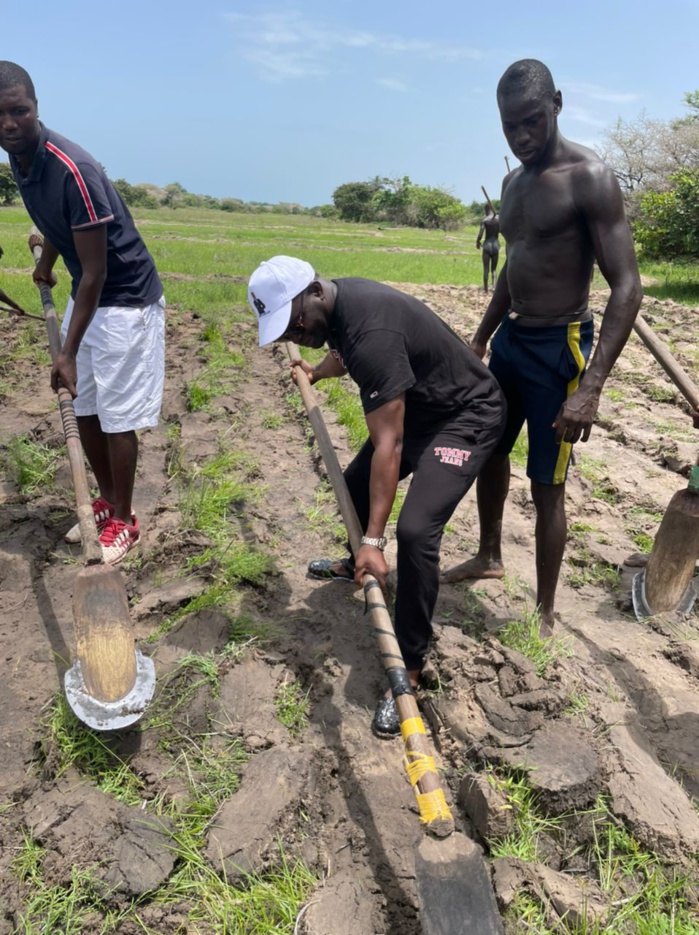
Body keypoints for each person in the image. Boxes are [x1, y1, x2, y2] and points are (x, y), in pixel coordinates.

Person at [247, 255, 506, 737]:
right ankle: (355, 563)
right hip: (425, 407)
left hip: (465, 415)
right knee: (353, 484)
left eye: (296, 324)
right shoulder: (339, 308)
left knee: (416, 531)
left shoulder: (373, 334)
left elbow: (390, 442)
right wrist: (316, 371)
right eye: (285, 333)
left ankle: (409, 666)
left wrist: (374, 540)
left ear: (316, 292)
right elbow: (343, 352)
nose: (296, 334)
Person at [441, 59, 642, 637]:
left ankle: (546, 610)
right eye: (510, 127)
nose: (522, 137)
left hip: (561, 347)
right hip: (513, 340)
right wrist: (482, 336)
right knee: (490, 450)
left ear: (557, 103)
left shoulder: (590, 177)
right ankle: (488, 555)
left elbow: (627, 287)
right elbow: (512, 266)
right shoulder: (512, 185)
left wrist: (591, 388)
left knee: (547, 484)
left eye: (532, 121)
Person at [0, 61, 165, 564]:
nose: (8, 123)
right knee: (85, 406)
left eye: (18, 111)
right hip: (88, 294)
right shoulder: (20, 161)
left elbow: (96, 270)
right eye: (0, 115)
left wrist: (67, 352)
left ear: (36, 108)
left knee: (115, 417)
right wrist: (46, 265)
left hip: (125, 300)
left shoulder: (73, 169)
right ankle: (107, 502)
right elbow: (60, 224)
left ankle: (125, 521)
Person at [476, 208, 500, 292]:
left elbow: (480, 234)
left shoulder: (485, 220)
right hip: (496, 244)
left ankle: (486, 289)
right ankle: (494, 288)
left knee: (486, 268)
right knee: (494, 269)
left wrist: (478, 242)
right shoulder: (498, 219)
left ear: (486, 210)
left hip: (487, 245)